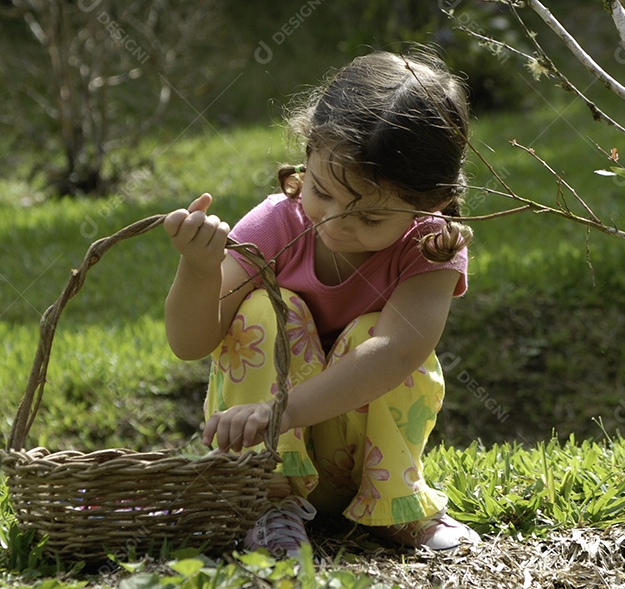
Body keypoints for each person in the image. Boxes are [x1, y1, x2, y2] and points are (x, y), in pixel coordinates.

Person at [163, 49, 480, 557]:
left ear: (431, 203)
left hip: (356, 468)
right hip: (264, 457)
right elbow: (188, 342)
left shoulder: (430, 248)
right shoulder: (275, 224)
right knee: (268, 309)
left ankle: (394, 507)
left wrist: (281, 411)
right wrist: (198, 269)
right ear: (307, 154)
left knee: (379, 337)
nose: (334, 222)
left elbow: (399, 351)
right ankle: (266, 502)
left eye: (369, 218)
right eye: (321, 191)